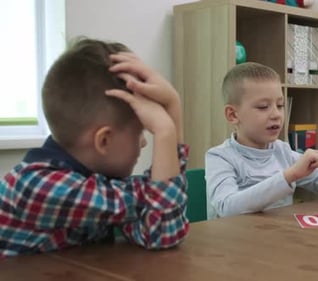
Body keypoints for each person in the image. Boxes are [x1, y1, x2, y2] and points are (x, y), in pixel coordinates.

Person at [0, 38, 189, 258]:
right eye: (141, 133)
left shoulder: (101, 180)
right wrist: (165, 133)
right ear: (104, 141)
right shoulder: (35, 186)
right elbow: (158, 206)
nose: (145, 142)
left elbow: (161, 232)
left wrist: (173, 107)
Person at [205, 62, 318, 219]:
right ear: (233, 115)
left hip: (277, 240)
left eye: (280, 105)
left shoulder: (282, 152)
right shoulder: (219, 157)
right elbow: (227, 209)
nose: (276, 114)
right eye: (263, 107)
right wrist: (290, 175)